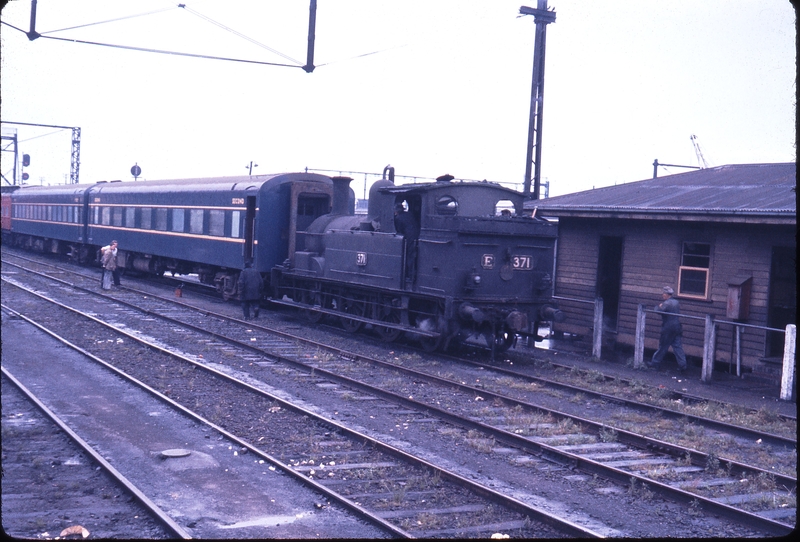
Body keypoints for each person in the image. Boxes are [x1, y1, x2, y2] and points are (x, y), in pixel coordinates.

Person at [648, 286, 687, 372]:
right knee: (677, 347)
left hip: (668, 328)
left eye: (663, 293)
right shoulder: (676, 302)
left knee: (663, 346)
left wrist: (658, 306)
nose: (662, 295)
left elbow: (658, 311)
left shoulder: (666, 303)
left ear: (666, 294)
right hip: (677, 327)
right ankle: (683, 365)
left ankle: (655, 363)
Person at [394, 202, 419, 283]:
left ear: (396, 211)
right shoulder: (409, 214)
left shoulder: (398, 218)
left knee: (409, 255)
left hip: (409, 237)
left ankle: (410, 276)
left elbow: (399, 231)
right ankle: (412, 274)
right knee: (413, 255)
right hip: (417, 235)